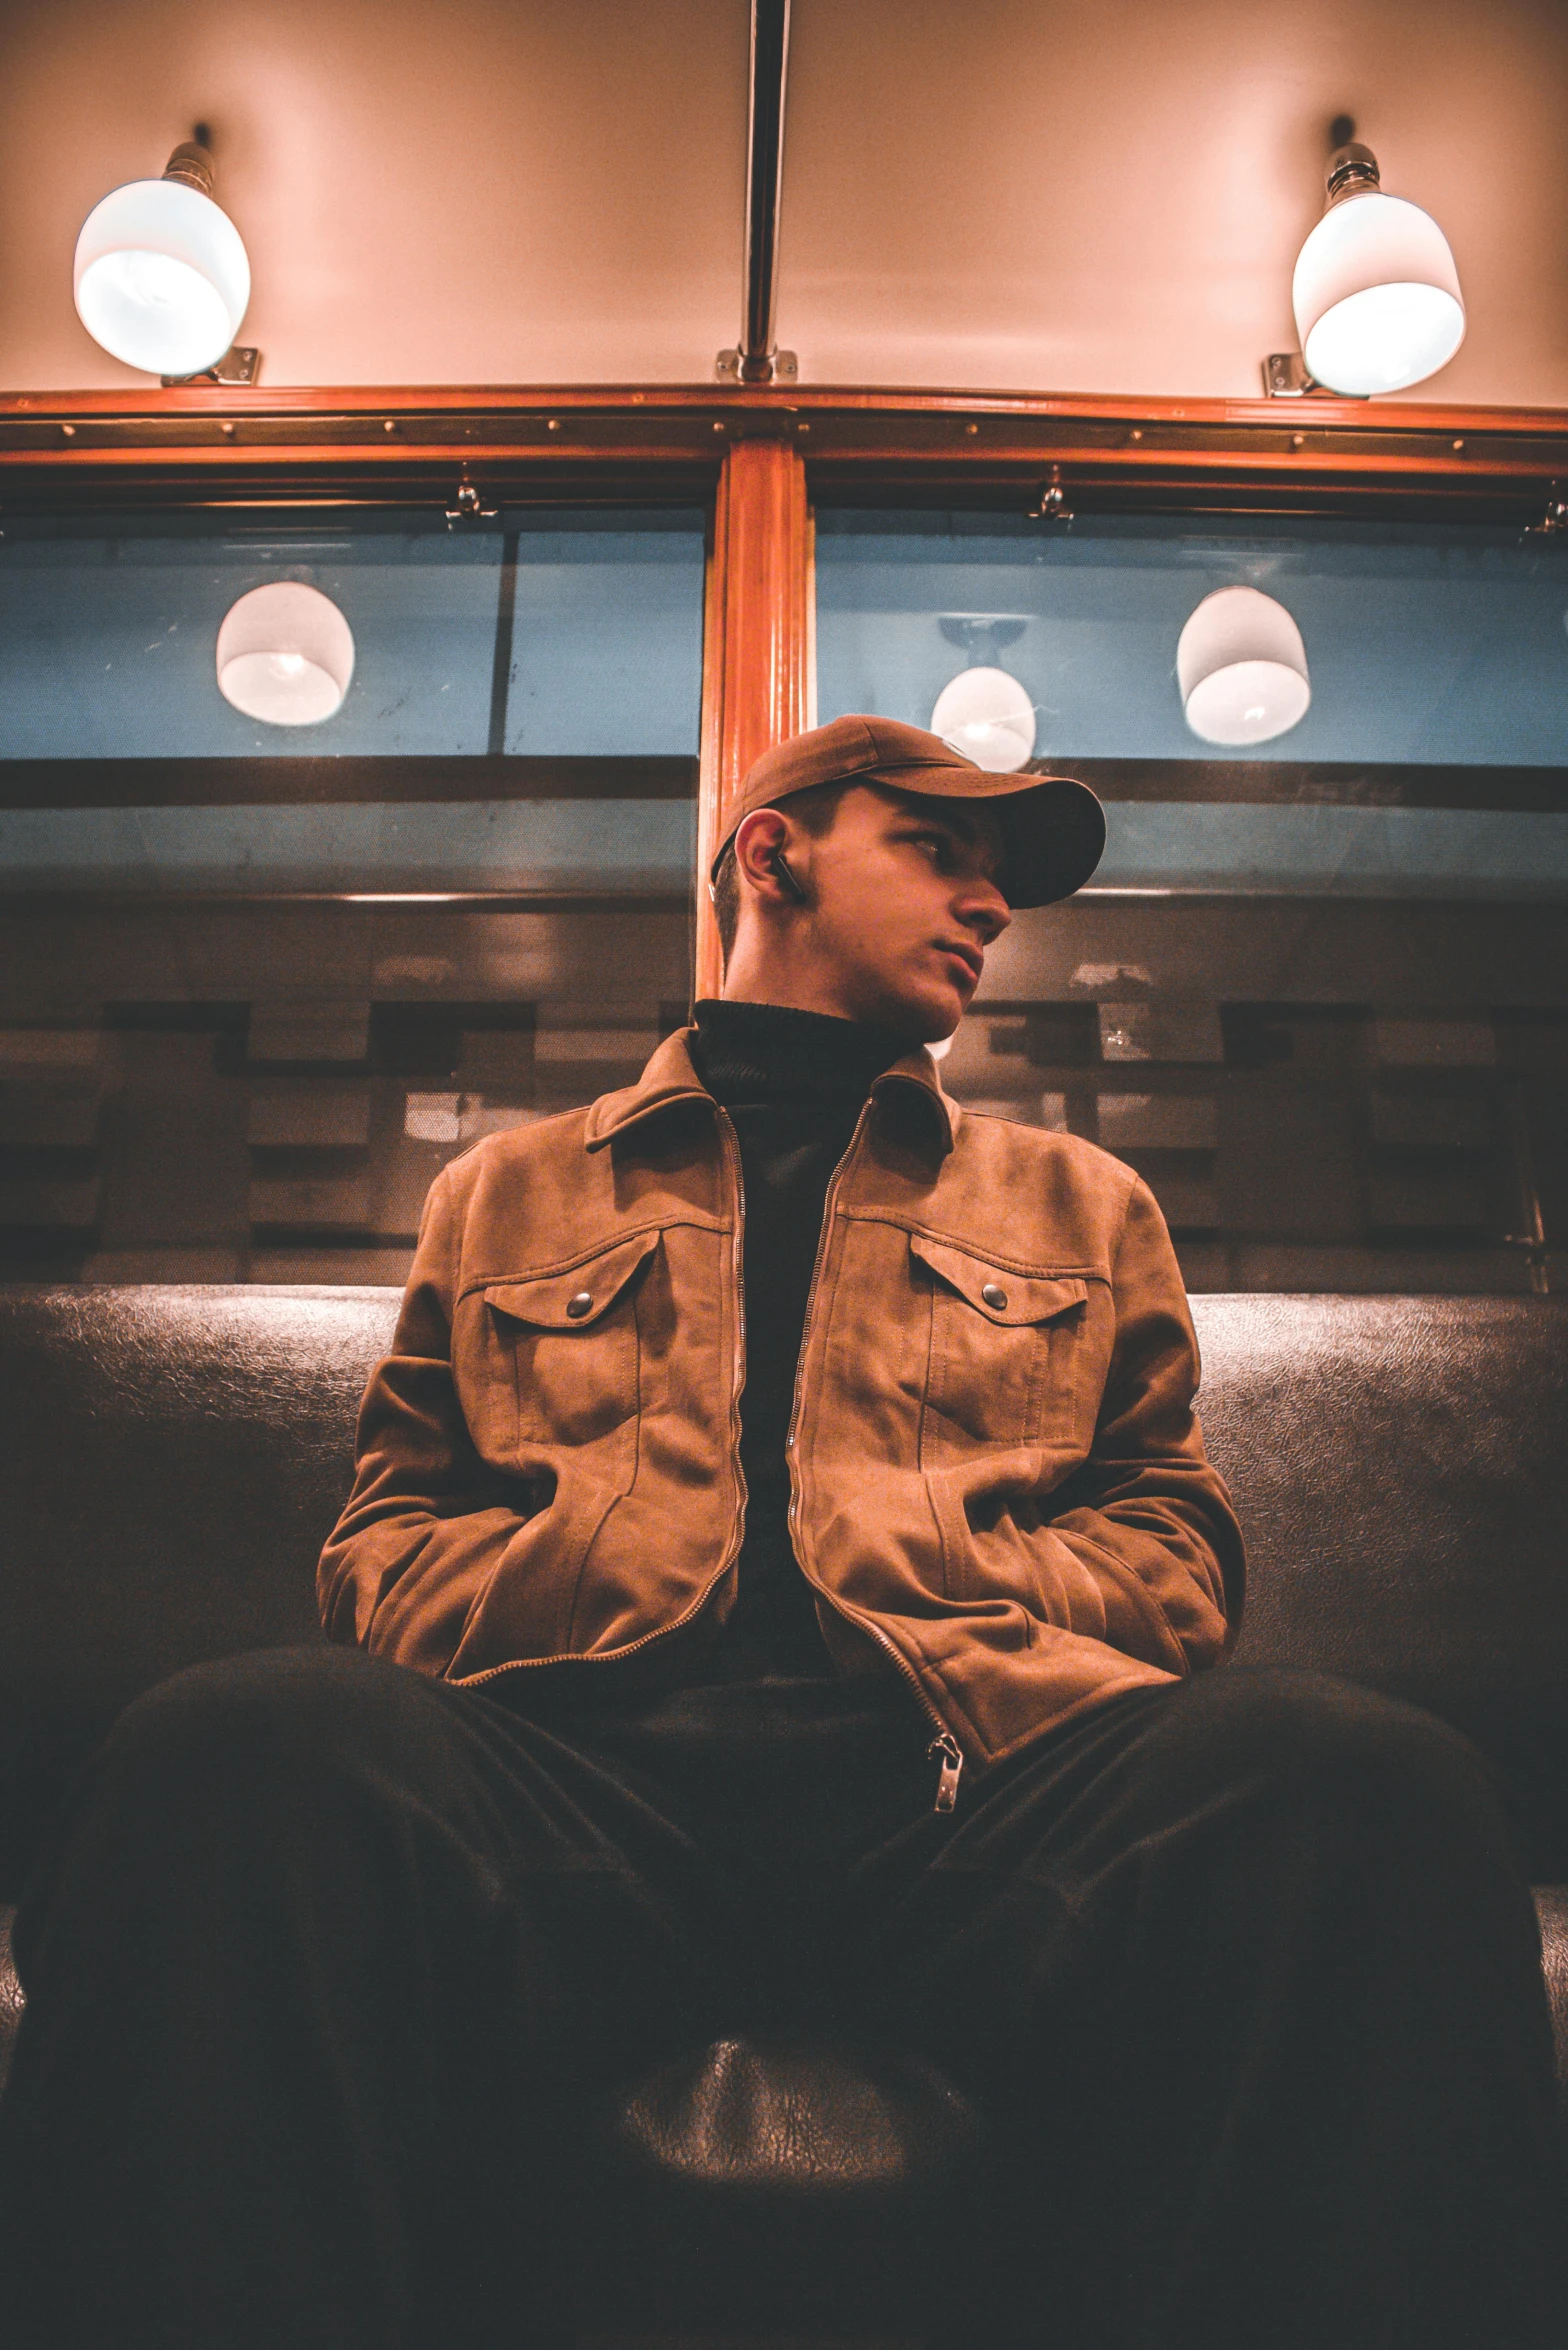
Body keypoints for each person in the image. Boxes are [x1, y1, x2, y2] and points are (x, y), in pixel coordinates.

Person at [0, 715, 1560, 2350]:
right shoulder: (511, 1191)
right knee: (227, 1747)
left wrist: (944, 1578)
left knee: (1374, 1784)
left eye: (1003, 879)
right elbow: (385, 1539)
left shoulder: (1082, 1203)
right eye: (942, 849)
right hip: (583, 1802)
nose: (989, 902)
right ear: (773, 852)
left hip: (969, 1814)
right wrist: (600, 1577)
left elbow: (1175, 1546)